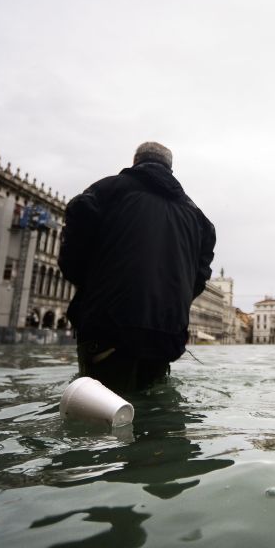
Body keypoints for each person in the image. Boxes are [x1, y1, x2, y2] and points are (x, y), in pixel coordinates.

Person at [58, 142, 216, 392]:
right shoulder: (198, 218)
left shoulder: (106, 191)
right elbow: (199, 278)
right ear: (170, 169)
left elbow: (73, 249)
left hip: (108, 328)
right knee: (155, 417)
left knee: (101, 415)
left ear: (136, 161)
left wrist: (88, 289)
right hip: (166, 337)